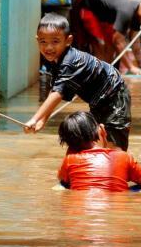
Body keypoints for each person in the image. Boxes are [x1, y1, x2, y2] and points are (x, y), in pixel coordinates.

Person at [24, 12, 132, 151]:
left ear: (68, 40)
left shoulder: (71, 62)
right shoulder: (57, 59)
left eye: (55, 41)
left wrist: (34, 119)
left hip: (115, 96)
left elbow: (58, 93)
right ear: (37, 40)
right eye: (43, 42)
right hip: (98, 101)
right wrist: (42, 120)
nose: (48, 47)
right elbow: (54, 91)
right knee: (97, 140)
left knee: (115, 146)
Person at [57, 111, 141, 192]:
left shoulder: (69, 160)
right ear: (101, 129)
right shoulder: (123, 157)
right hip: (116, 208)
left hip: (80, 209)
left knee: (62, 185)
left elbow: (62, 179)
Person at [72, 0, 141, 75]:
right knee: (101, 45)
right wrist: (131, 67)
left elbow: (135, 40)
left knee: (110, 48)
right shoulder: (127, 11)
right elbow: (118, 41)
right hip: (89, 6)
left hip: (106, 16)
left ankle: (105, 73)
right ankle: (97, 76)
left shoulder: (139, 13)